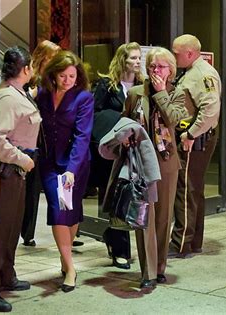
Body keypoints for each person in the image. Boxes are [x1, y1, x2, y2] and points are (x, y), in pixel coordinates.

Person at [0, 46, 39, 313]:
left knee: (10, 228)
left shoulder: (12, 92)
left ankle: (6, 275)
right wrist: (22, 159)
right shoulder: (9, 97)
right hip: (5, 170)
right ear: (25, 69)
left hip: (13, 171)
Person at [122, 47, 188, 289]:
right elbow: (124, 122)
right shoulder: (136, 93)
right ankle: (147, 271)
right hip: (140, 163)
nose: (155, 70)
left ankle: (160, 266)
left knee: (163, 218)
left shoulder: (178, 93)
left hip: (166, 162)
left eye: (160, 66)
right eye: (151, 66)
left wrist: (161, 94)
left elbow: (175, 121)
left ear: (171, 70)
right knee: (144, 218)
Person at [36, 50, 93, 292]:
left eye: (72, 76)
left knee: (71, 210)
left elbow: (83, 136)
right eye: (63, 76)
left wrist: (71, 170)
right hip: (49, 163)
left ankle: (64, 257)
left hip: (75, 163)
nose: (68, 80)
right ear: (54, 75)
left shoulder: (83, 98)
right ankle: (70, 267)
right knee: (59, 209)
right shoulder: (42, 95)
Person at [91, 42, 144, 269]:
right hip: (112, 151)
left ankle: (114, 237)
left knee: (131, 197)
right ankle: (120, 249)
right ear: (122, 60)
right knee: (114, 196)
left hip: (135, 151)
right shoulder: (107, 85)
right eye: (133, 58)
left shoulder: (143, 85)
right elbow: (95, 115)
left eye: (139, 57)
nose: (137, 61)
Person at [169, 34, 221, 257]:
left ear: (190, 53)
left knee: (186, 189)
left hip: (195, 138)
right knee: (193, 190)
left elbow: (210, 110)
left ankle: (180, 242)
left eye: (176, 53)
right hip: (196, 136)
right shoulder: (192, 72)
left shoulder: (201, 74)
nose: (174, 56)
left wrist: (190, 134)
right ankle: (193, 241)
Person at [21, 40, 61, 247]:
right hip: (35, 137)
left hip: (51, 137)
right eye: (54, 56)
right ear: (44, 57)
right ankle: (27, 232)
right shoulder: (33, 79)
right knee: (32, 187)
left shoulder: (55, 79)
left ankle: (67, 228)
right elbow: (25, 102)